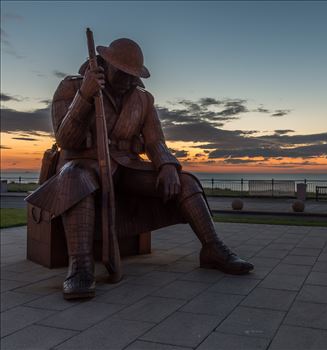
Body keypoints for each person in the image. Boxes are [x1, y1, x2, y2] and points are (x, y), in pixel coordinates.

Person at [26, 38, 253, 300]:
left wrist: (167, 165)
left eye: (135, 76)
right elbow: (66, 139)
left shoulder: (143, 99)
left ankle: (213, 248)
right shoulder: (72, 86)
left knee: (186, 181)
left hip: (126, 165)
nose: (131, 81)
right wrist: (84, 97)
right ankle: (81, 265)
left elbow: (155, 141)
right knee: (76, 181)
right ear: (107, 65)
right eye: (125, 74)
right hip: (83, 163)